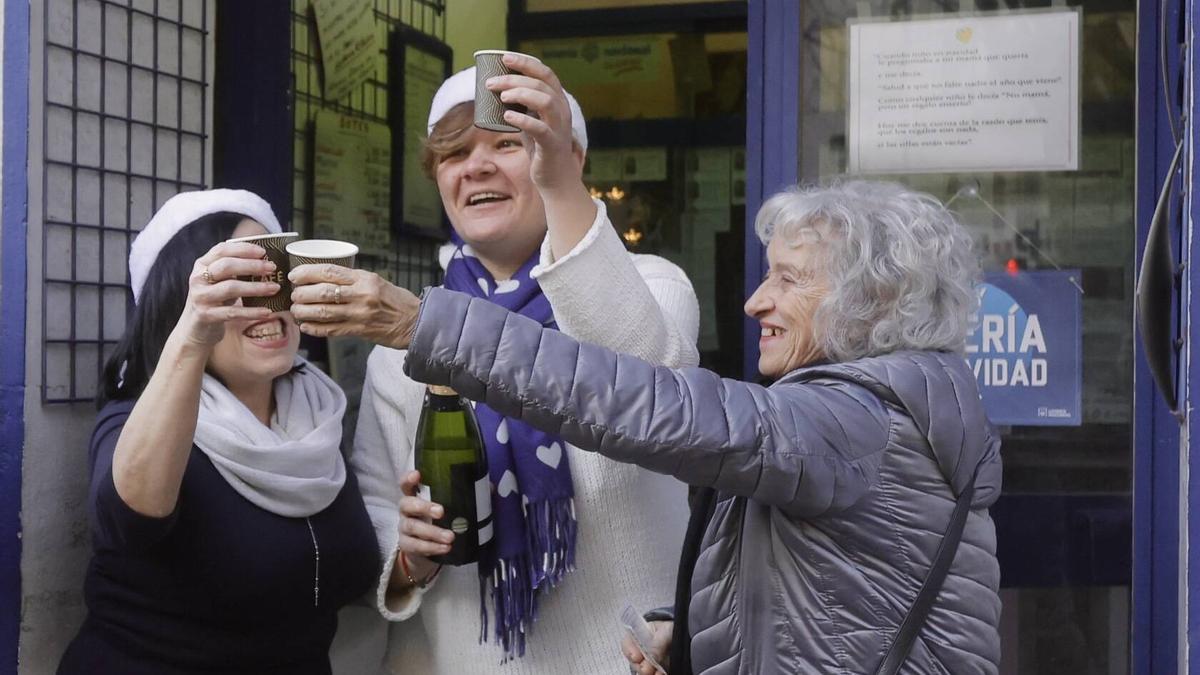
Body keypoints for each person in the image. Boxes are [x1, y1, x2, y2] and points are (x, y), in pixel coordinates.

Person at [293, 179, 1004, 674]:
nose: (756, 301)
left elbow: (652, 409)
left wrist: (423, 324)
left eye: (789, 279)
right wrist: (693, 633)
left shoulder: (858, 418)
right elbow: (820, 592)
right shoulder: (885, 404)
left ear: (872, 296)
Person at [293, 54, 699, 673]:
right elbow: (377, 505)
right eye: (453, 155)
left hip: (624, 659)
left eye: (508, 143)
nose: (475, 165)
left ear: (568, 158)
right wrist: (408, 557)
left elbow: (644, 393)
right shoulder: (395, 350)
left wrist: (560, 181)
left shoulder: (652, 286)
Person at [57, 189, 380, 675]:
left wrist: (408, 560)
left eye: (275, 280)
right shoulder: (140, 418)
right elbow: (128, 523)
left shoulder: (318, 416)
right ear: (180, 307)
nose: (267, 308)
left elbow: (329, 573)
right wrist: (192, 336)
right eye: (238, 286)